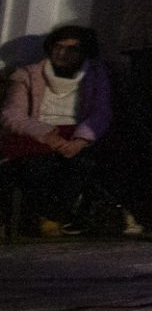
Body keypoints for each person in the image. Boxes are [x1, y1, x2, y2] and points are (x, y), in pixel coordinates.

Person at [2, 27, 128, 237]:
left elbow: (101, 112)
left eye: (72, 49)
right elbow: (12, 114)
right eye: (58, 47)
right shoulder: (29, 74)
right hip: (39, 133)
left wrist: (81, 139)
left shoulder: (96, 74)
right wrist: (46, 135)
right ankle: (50, 216)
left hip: (77, 133)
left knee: (84, 164)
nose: (63, 53)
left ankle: (61, 215)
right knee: (36, 165)